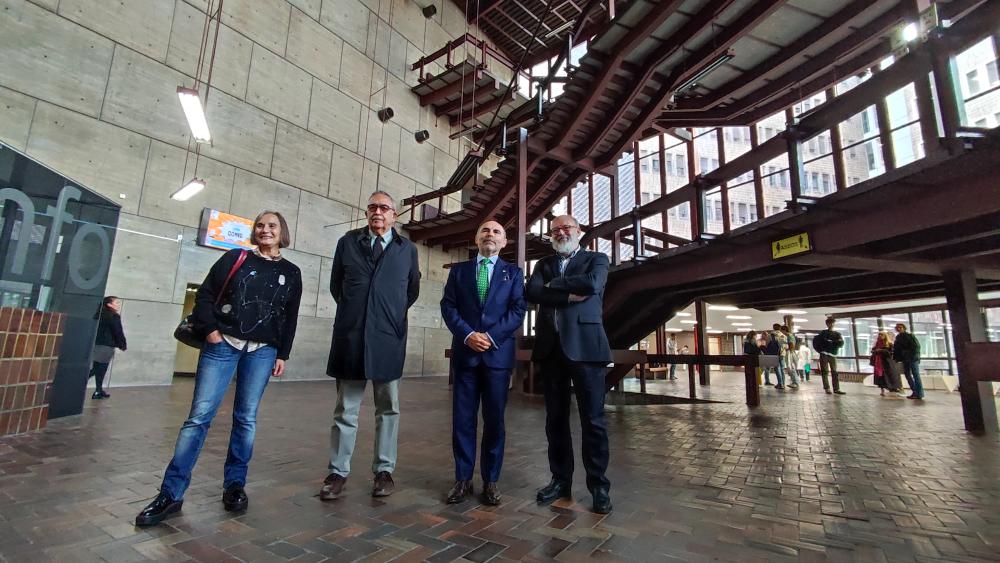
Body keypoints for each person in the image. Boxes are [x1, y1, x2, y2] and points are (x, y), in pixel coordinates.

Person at [136, 211, 302, 526]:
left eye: (272, 226)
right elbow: (205, 295)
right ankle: (171, 493)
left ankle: (234, 486)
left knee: (246, 419)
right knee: (198, 419)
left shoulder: (292, 272)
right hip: (222, 345)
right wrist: (211, 330)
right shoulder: (236, 258)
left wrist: (284, 353)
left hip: (263, 352)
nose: (265, 229)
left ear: (283, 233)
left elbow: (289, 316)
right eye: (260, 225)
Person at [320, 191, 421, 501]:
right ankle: (338, 472)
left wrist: (387, 315)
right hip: (351, 336)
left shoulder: (408, 249)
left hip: (388, 338)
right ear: (367, 212)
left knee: (388, 408)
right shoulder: (348, 242)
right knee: (345, 410)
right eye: (373, 207)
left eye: (385, 208)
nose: (378, 212)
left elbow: (411, 291)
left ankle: (383, 471)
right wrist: (358, 312)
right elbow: (337, 286)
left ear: (395, 216)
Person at [526, 214, 613, 514]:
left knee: (593, 421)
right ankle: (560, 481)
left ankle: (599, 486)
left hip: (587, 349)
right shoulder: (542, 264)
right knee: (555, 420)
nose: (561, 232)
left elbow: (594, 284)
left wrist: (555, 286)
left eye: (567, 228)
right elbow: (532, 291)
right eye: (556, 230)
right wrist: (566, 294)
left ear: (579, 232)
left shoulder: (597, 258)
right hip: (551, 350)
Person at [440, 221, 526, 505]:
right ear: (476, 238)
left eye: (496, 232)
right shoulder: (460, 272)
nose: (490, 234)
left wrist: (488, 336)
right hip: (466, 356)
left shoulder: (513, 273)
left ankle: (491, 481)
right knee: (462, 421)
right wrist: (467, 335)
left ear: (504, 242)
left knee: (494, 422)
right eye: (485, 230)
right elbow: (448, 306)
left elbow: (517, 310)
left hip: (497, 357)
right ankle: (462, 479)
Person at [89, 296, 126, 399]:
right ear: (109, 304)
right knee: (99, 369)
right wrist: (122, 344)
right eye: (116, 302)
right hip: (106, 346)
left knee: (98, 368)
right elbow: (118, 331)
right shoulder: (114, 316)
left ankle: (98, 390)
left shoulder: (98, 315)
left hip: (97, 344)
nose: (118, 304)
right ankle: (79, 383)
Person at [813, 317, 846, 395]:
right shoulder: (823, 333)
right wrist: (822, 349)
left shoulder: (837, 334)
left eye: (832, 323)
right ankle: (827, 388)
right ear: (827, 324)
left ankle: (836, 389)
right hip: (824, 354)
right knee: (825, 371)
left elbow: (841, 344)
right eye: (829, 323)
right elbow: (818, 342)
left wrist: (830, 342)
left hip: (833, 355)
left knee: (834, 372)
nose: (831, 324)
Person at [893, 323, 924, 400]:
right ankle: (915, 392)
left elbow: (916, 347)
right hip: (905, 359)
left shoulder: (909, 336)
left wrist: (910, 355)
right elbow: (897, 349)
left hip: (912, 358)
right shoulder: (898, 337)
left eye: (900, 327)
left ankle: (919, 393)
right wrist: (898, 358)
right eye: (897, 327)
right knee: (908, 375)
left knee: (915, 375)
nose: (899, 329)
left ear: (904, 328)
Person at [871, 331, 902, 396]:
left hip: (887, 364)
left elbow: (890, 354)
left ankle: (893, 388)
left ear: (885, 336)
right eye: (879, 335)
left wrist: (881, 350)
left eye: (881, 335)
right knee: (880, 377)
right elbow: (873, 351)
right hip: (878, 364)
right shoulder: (877, 344)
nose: (880, 336)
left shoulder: (889, 344)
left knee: (888, 377)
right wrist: (875, 351)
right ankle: (882, 390)